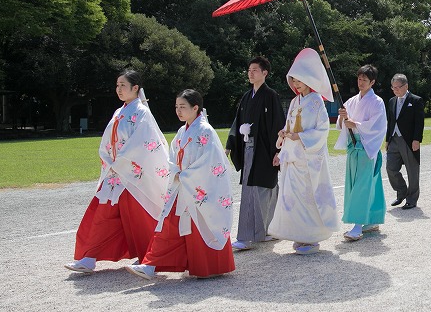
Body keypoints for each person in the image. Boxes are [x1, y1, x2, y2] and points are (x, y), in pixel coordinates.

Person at [66, 70, 170, 274]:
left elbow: (143, 142)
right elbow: (107, 141)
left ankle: (150, 259)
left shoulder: (142, 112)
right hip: (116, 173)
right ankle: (89, 257)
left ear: (135, 88)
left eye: (123, 85)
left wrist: (121, 162)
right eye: (117, 85)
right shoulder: (118, 112)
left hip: (131, 174)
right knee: (102, 214)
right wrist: (109, 160)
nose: (119, 89)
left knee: (139, 218)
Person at [127, 90, 235, 280]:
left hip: (196, 188)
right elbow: (172, 157)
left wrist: (185, 175)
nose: (178, 111)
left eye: (183, 107)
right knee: (169, 224)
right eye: (177, 107)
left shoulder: (205, 131)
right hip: (182, 185)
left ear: (196, 108)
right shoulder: (182, 131)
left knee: (181, 225)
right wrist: (177, 171)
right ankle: (151, 264)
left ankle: (158, 264)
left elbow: (211, 162)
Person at [267, 48, 339, 254]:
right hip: (292, 157)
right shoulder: (294, 101)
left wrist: (301, 136)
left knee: (308, 197)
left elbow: (323, 129)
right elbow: (290, 126)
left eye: (299, 80)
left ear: (309, 79)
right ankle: (300, 235)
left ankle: (312, 239)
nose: (296, 84)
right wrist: (283, 137)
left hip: (308, 158)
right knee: (293, 198)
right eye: (294, 80)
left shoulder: (317, 102)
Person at [226, 56, 287, 252]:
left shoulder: (271, 96)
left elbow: (277, 124)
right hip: (248, 148)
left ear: (264, 73)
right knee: (251, 192)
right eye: (249, 70)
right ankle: (249, 235)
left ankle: (262, 232)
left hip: (265, 149)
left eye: (255, 70)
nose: (250, 73)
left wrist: (278, 151)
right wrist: (231, 143)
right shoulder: (246, 97)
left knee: (266, 191)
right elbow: (237, 121)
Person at [335, 64, 387, 241]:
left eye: (365, 80)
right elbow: (342, 124)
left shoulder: (377, 102)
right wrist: (343, 118)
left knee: (362, 186)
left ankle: (357, 226)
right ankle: (371, 220)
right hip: (353, 148)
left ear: (372, 82)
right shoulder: (351, 101)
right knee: (359, 185)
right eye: (359, 78)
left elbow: (378, 126)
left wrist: (355, 124)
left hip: (367, 148)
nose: (361, 82)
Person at [385, 73, 424, 210]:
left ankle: (412, 199)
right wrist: (387, 140)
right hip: (393, 139)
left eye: (398, 87)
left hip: (409, 140)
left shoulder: (416, 100)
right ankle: (401, 191)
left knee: (412, 170)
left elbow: (419, 122)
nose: (395, 90)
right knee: (390, 168)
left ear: (406, 86)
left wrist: (417, 139)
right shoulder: (391, 101)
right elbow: (390, 122)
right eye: (393, 87)